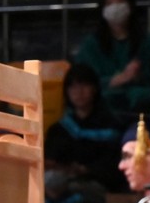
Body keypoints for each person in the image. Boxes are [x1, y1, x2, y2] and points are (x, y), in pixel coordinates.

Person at [75, 0, 150, 112]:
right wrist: (117, 79)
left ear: (130, 6)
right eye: (109, 3)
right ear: (102, 9)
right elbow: (83, 79)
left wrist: (138, 76)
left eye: (120, 1)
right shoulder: (91, 45)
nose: (115, 7)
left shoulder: (147, 42)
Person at [46, 62, 125, 192]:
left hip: (99, 188)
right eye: (72, 86)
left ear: (94, 88)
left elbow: (113, 166)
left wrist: (86, 170)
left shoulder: (111, 127)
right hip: (60, 185)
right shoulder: (59, 130)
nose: (78, 92)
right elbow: (50, 162)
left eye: (84, 85)